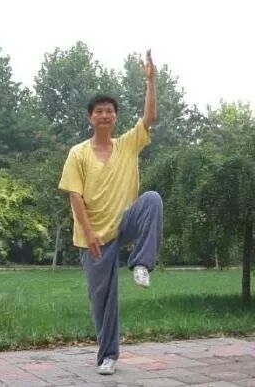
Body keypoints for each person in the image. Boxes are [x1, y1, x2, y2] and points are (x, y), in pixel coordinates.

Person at [58, 50, 163, 375]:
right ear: (91, 118)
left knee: (152, 199)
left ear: (116, 117)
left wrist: (151, 80)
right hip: (93, 236)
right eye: (99, 111)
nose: (104, 115)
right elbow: (75, 196)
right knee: (102, 299)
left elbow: (150, 117)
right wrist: (89, 233)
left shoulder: (128, 145)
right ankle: (108, 355)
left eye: (109, 111)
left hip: (124, 222)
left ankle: (141, 264)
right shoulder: (78, 153)